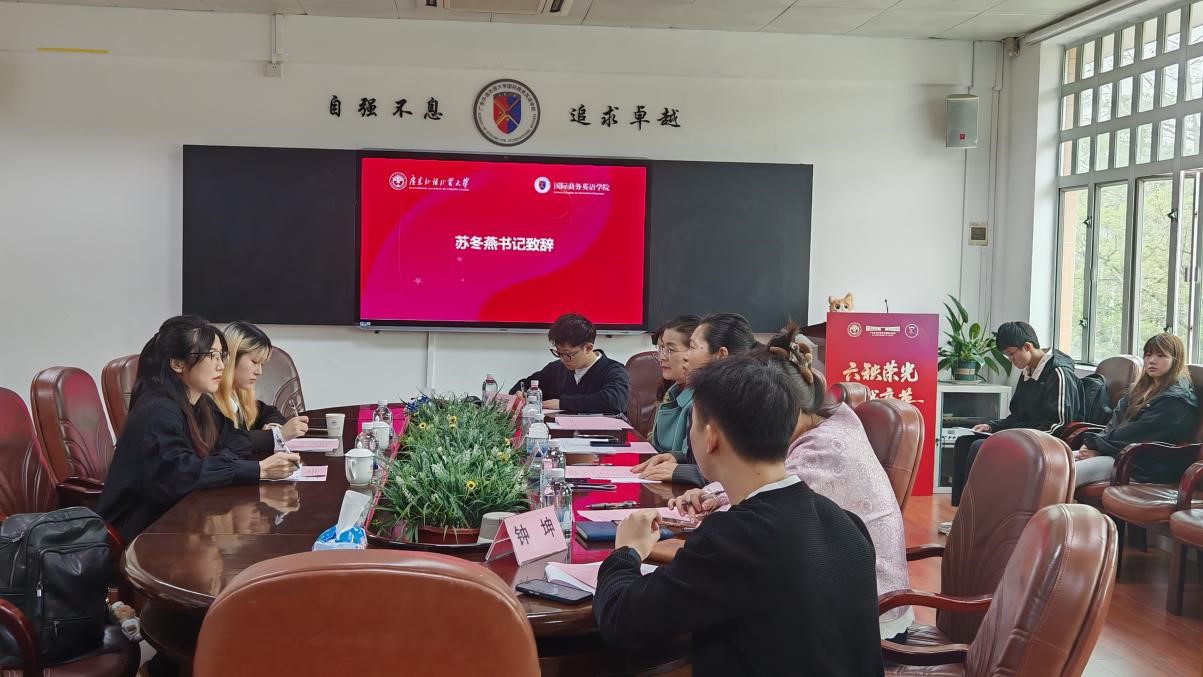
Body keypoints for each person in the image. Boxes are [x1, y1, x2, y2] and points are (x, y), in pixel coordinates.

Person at [593, 352, 884, 677]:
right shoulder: (847, 523)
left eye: (693, 423)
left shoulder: (733, 539)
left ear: (711, 437)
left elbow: (622, 619)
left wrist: (626, 551)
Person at [670, 323, 913, 641]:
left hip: (865, 620)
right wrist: (712, 494)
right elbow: (766, 481)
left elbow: (769, 509)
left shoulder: (826, 447)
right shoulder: (823, 423)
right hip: (822, 591)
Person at [98, 316, 301, 543]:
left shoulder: (199, 403)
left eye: (221, 356)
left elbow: (231, 439)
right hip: (141, 534)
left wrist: (225, 460)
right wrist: (258, 470)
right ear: (177, 363)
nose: (221, 366)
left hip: (181, 520)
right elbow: (180, 474)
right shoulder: (157, 411)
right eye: (211, 356)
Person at [949, 321, 1083, 508]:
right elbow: (1017, 416)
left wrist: (1016, 436)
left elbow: (1060, 424)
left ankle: (980, 510)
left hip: (1048, 441)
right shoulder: (1028, 371)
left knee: (981, 447)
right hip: (1026, 435)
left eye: (1011, 354)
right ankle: (965, 511)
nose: (1010, 360)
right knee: (965, 442)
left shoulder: (1059, 373)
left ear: (1027, 346)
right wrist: (992, 426)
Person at [633, 313, 758, 485]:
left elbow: (746, 473)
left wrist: (683, 471)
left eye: (691, 347)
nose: (687, 356)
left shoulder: (745, 401)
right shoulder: (707, 396)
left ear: (721, 354)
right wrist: (676, 457)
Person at [1075, 333, 1200, 487]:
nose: (1152, 360)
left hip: (1142, 465)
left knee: (1067, 473)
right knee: (1056, 463)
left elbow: (1136, 433)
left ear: (1175, 361)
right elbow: (1115, 422)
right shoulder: (1139, 389)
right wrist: (1093, 446)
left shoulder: (1177, 401)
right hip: (1119, 453)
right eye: (1148, 355)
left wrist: (1096, 446)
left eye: (1161, 355)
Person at [213, 321, 309, 452]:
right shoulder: (207, 402)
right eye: (254, 362)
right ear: (231, 357)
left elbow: (270, 412)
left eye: (262, 364)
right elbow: (229, 442)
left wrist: (273, 426)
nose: (259, 372)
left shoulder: (237, 396)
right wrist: (275, 436)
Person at [508, 312, 629, 414]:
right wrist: (519, 394)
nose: (562, 359)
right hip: (559, 433)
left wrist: (562, 403)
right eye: (558, 353)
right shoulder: (556, 369)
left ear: (588, 348)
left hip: (603, 434)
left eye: (567, 354)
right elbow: (525, 385)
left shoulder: (614, 371)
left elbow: (613, 401)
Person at [649, 314, 700, 455]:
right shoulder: (672, 391)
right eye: (661, 349)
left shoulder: (703, 400)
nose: (661, 357)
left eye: (670, 350)